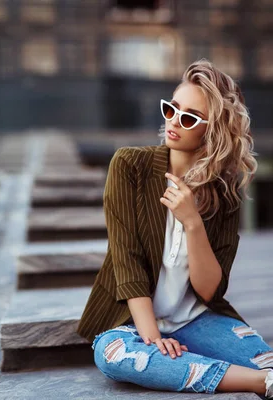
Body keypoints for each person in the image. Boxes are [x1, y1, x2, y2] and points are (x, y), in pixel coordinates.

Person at [77, 59, 273, 397]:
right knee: (114, 357)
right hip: (129, 324)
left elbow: (211, 290)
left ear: (212, 131)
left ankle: (249, 374)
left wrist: (193, 222)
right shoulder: (129, 165)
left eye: (188, 117)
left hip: (197, 320)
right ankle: (260, 384)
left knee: (265, 359)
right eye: (171, 109)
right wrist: (153, 340)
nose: (173, 122)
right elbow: (127, 259)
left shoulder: (224, 193)